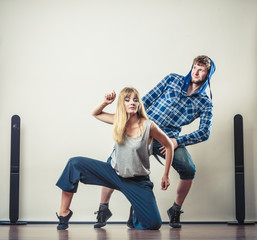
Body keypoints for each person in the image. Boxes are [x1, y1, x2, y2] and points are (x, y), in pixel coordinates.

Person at [94, 55, 216, 229]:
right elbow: (147, 100)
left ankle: (175, 210)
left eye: (201, 70)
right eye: (195, 67)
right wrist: (132, 122)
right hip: (144, 127)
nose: (196, 72)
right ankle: (103, 208)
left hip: (168, 137)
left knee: (189, 169)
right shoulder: (172, 79)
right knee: (113, 164)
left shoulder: (205, 103)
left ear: (208, 74)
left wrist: (176, 141)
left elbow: (205, 132)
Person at [55, 87, 174, 230]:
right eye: (127, 99)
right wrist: (105, 102)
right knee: (74, 163)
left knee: (153, 224)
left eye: (135, 100)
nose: (132, 102)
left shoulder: (148, 126)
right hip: (113, 173)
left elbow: (169, 146)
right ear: (121, 104)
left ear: (139, 104)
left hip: (137, 181)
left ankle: (135, 213)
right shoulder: (118, 121)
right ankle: (64, 213)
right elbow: (95, 113)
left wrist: (165, 175)